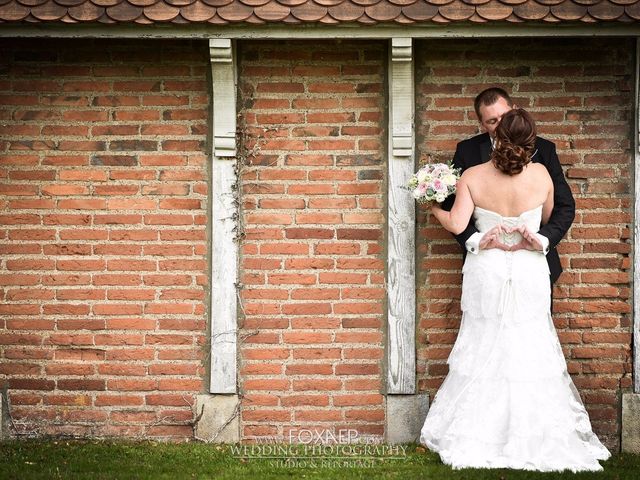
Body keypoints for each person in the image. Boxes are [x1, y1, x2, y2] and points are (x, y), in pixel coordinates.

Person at [419, 108, 611, 471]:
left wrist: (433, 209)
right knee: (530, 345)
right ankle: (533, 436)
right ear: (530, 140)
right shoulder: (541, 174)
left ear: (496, 136)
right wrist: (530, 235)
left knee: (484, 342)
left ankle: (479, 434)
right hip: (528, 268)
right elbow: (547, 216)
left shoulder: (473, 175)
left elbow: (457, 222)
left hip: (487, 266)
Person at [441, 87, 575, 289]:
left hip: (535, 262)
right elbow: (453, 206)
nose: (501, 125)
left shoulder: (543, 149)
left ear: (514, 109)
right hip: (484, 264)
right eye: (492, 121)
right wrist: (476, 241)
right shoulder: (467, 151)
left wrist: (543, 240)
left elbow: (564, 207)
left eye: (504, 116)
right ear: (482, 124)